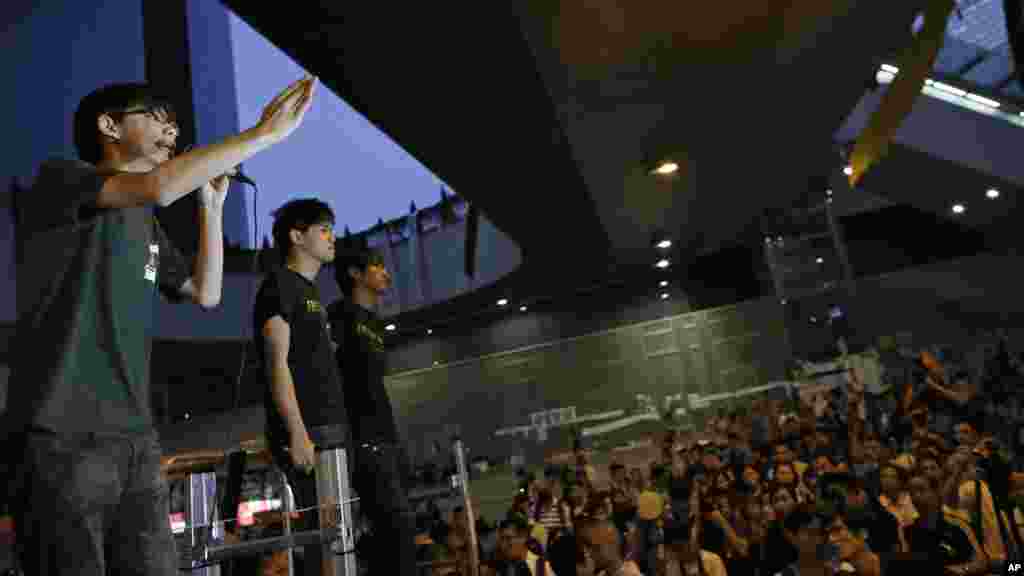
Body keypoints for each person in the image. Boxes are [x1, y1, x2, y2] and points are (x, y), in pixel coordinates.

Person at [11, 75, 316, 576]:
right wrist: (265, 134)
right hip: (59, 436)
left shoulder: (143, 222)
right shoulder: (62, 179)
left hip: (135, 439)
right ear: (108, 126)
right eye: (156, 117)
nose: (172, 130)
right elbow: (160, 186)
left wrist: (211, 208)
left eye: (174, 123)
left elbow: (206, 294)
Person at [256, 197, 344, 576]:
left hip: (330, 430)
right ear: (296, 236)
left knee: (339, 543)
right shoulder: (279, 285)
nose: (332, 237)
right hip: (309, 435)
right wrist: (296, 431)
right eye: (323, 229)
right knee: (318, 547)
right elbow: (277, 364)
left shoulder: (310, 292)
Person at [328, 239, 417, 575]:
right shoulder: (338, 315)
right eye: (377, 266)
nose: (386, 273)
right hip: (362, 439)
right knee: (396, 528)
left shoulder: (375, 323)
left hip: (387, 437)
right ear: (355, 273)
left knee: (396, 531)